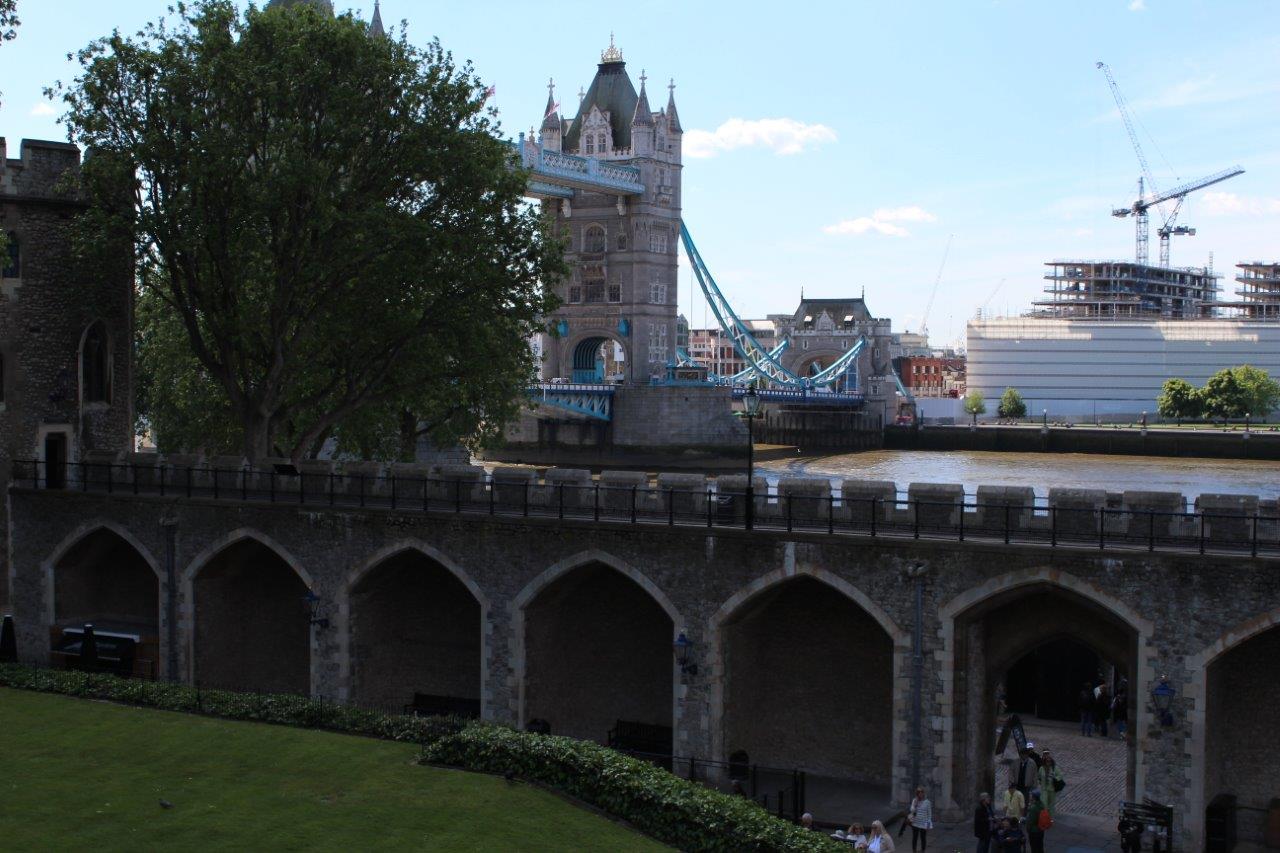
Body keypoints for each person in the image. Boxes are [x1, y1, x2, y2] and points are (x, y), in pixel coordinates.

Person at [1036, 750, 1064, 817]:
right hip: (1044, 789)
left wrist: (1055, 778)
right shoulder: (1041, 768)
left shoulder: (1055, 768)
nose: (1048, 763)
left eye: (1049, 762)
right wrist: (1040, 782)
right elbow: (1038, 776)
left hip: (1052, 789)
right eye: (1047, 762)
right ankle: (1044, 817)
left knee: (1051, 804)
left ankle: (1050, 817)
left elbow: (1060, 775)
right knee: (1044, 803)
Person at [908, 786, 933, 852]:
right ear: (917, 793)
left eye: (922, 792)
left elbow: (929, 814)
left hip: (923, 823)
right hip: (915, 822)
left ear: (924, 793)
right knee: (914, 838)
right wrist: (915, 805)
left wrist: (928, 825)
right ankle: (914, 850)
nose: (920, 794)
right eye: (919, 792)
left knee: (923, 838)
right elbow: (912, 810)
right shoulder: (914, 800)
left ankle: (923, 850)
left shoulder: (927, 802)